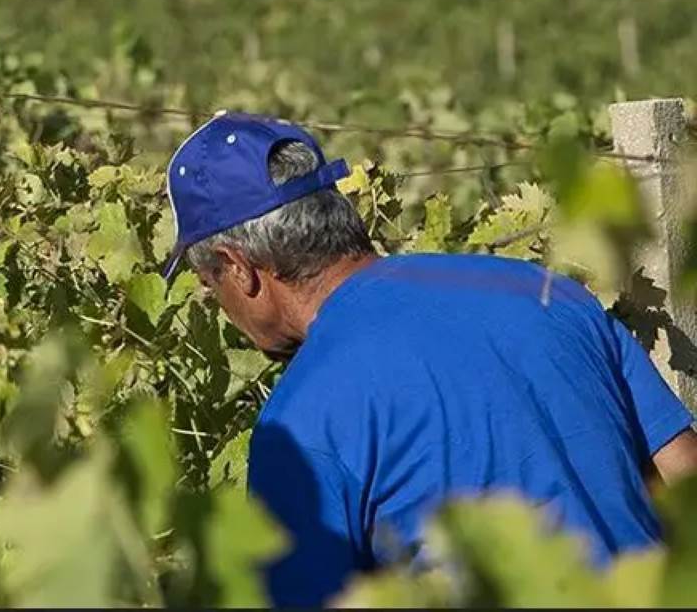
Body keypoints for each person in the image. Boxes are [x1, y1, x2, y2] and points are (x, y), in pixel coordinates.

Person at [163, 111, 697, 607]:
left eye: (210, 284)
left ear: (240, 268)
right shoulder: (544, 292)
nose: (219, 304)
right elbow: (682, 472)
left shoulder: (298, 425)